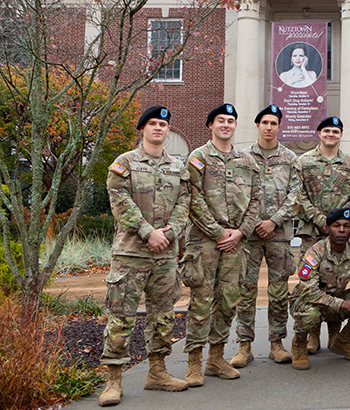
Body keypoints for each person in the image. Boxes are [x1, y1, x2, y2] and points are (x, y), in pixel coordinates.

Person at [99, 106, 190, 406]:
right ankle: (113, 380)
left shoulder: (178, 167)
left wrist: (170, 232)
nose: (159, 128)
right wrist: (147, 231)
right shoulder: (124, 163)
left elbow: (184, 204)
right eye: (153, 123)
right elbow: (119, 201)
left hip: (164, 255)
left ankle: (157, 372)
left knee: (163, 315)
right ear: (142, 129)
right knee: (121, 316)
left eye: (163, 124)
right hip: (131, 255)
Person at [181, 103, 261, 387]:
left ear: (236, 126)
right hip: (204, 243)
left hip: (236, 244)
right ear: (210, 126)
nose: (226, 125)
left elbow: (256, 200)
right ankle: (194, 363)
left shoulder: (247, 161)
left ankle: (216, 358)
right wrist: (218, 233)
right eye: (220, 121)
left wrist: (240, 232)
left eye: (230, 121)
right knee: (201, 302)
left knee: (228, 301)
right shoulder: (198, 158)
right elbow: (192, 198)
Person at [230, 105, 299, 368]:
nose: (269, 127)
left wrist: (274, 221)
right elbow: (237, 195)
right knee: (246, 290)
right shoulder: (243, 157)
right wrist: (253, 223)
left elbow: (296, 195)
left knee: (279, 290)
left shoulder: (290, 158)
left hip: (279, 235)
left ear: (279, 127)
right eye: (264, 123)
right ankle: (244, 345)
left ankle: (276, 343)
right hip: (248, 235)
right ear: (257, 126)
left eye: (273, 123)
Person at [294, 116, 350, 354]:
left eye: (335, 131)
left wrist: (338, 225)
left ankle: (335, 332)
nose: (331, 134)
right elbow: (297, 194)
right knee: (312, 283)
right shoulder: (304, 162)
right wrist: (320, 220)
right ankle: (312, 335)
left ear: (341, 135)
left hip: (340, 236)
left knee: (337, 283)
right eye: (327, 131)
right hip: (313, 234)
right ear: (319, 133)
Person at [289, 208, 350, 370]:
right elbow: (309, 292)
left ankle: (342, 341)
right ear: (328, 228)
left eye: (346, 226)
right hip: (308, 302)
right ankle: (299, 344)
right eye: (336, 226)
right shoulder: (315, 253)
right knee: (311, 314)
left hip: (336, 300)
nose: (341, 230)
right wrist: (343, 304)